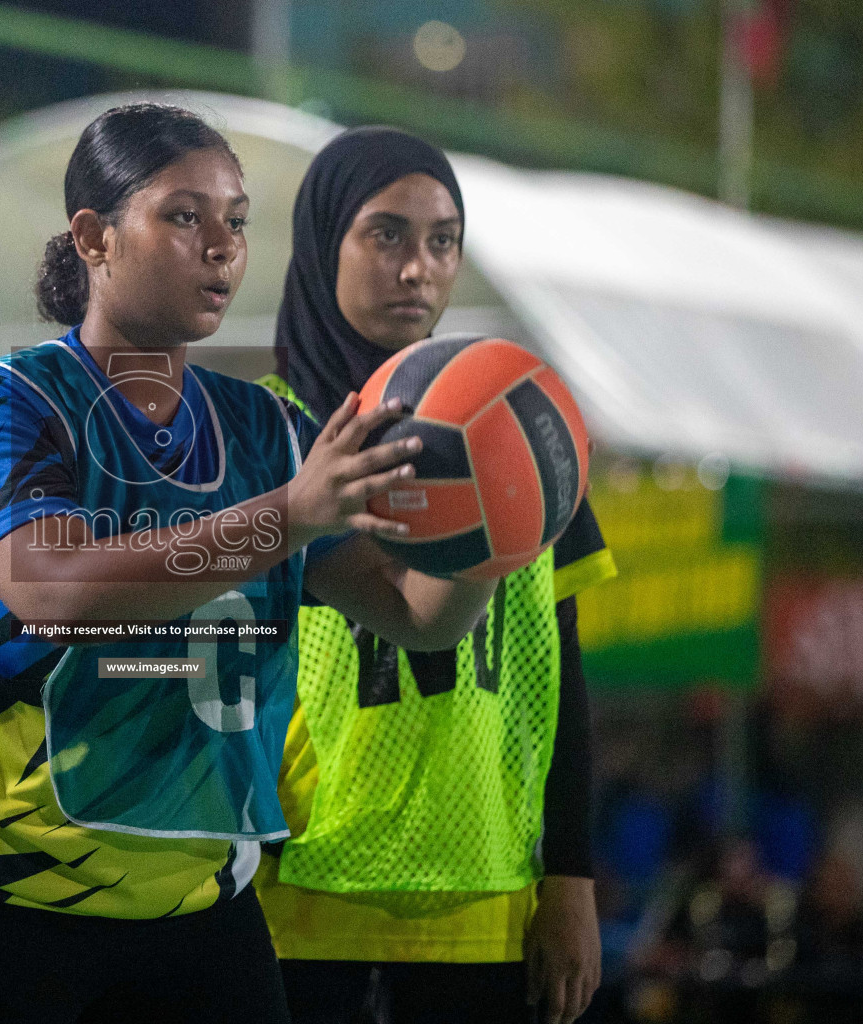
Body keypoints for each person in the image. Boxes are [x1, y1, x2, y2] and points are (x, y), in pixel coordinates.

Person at [0, 105, 501, 1024]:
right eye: (185, 216)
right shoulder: (0, 407)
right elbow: (52, 592)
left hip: (196, 917)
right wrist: (286, 516)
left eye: (236, 221)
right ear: (94, 237)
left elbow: (416, 613)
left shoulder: (267, 431)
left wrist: (498, 526)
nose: (222, 248)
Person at [251, 128, 617, 1024]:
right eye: (386, 235)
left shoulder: (524, 437)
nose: (418, 267)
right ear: (322, 241)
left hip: (484, 895)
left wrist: (569, 875)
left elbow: (563, 674)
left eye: (442, 241)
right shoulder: (262, 437)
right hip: (295, 891)